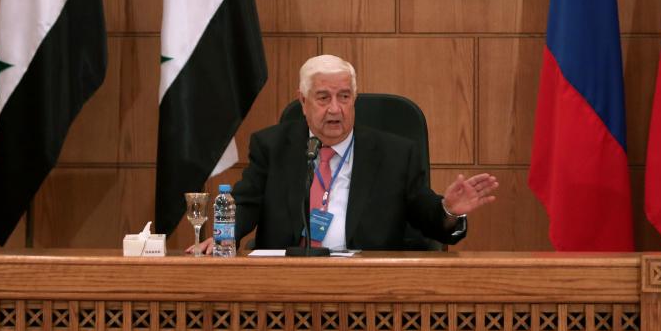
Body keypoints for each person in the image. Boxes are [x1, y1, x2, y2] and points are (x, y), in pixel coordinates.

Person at [193, 54, 497, 253]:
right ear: (303, 101)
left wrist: (449, 210)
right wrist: (223, 238)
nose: (335, 109)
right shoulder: (272, 146)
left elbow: (426, 215)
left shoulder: (395, 154)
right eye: (323, 97)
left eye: (344, 97)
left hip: (368, 286)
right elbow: (246, 203)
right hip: (284, 284)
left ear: (355, 100)